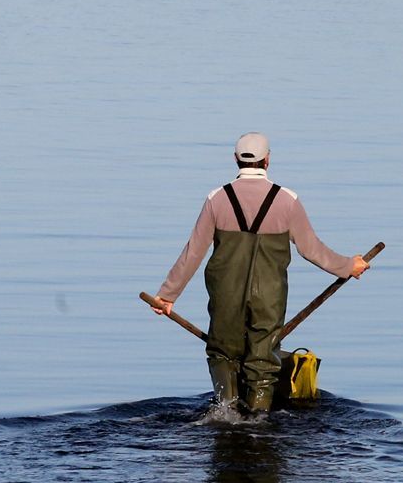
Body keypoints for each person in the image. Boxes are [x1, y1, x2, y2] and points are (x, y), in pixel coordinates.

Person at [150, 134, 369, 414]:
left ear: (235, 159)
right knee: (263, 359)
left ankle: (225, 414)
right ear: (268, 160)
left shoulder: (216, 199)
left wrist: (167, 295)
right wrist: (349, 266)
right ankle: (258, 421)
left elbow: (193, 252)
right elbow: (312, 249)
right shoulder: (287, 200)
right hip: (269, 296)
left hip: (225, 293)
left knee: (222, 352)